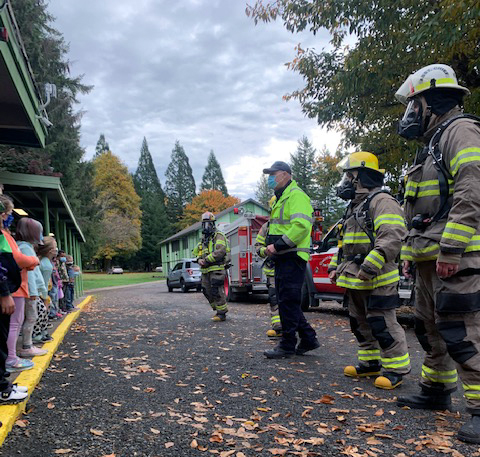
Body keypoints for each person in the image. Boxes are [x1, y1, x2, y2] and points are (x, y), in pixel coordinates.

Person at [394, 63, 480, 443]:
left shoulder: (461, 131)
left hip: (455, 255)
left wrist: (452, 247)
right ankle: (437, 391)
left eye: (414, 105)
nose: (410, 114)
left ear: (430, 100)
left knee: (463, 332)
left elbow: (471, 189)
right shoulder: (433, 143)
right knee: (430, 328)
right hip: (430, 256)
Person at [327, 152, 410, 389]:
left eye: (348, 177)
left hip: (377, 276)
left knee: (382, 323)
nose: (345, 183)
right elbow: (343, 244)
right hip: (355, 277)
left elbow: (392, 235)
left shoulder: (382, 201)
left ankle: (396, 369)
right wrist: (335, 267)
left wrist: (371, 265)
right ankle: (370, 364)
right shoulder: (354, 206)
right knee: (359, 322)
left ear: (361, 177)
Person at [262, 161, 319, 359]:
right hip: (283, 256)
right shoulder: (280, 198)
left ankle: (287, 345)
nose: (270, 178)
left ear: (286, 175)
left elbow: (301, 226)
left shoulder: (296, 196)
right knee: (288, 301)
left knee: (287, 301)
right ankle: (308, 338)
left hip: (292, 256)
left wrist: (277, 246)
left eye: (273, 174)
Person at [0, 195, 38, 372]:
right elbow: (16, 259)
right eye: (8, 213)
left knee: (14, 323)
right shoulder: (5, 236)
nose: (9, 217)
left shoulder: (7, 236)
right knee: (14, 324)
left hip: (14, 287)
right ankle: (11, 358)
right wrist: (33, 261)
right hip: (13, 288)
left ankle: (10, 357)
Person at [0, 200, 28, 403]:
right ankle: (2, 389)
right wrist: (4, 293)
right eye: (6, 213)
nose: (6, 217)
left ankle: (3, 383)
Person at [15, 218, 48, 358]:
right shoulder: (25, 248)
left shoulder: (24, 247)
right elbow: (30, 274)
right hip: (29, 291)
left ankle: (27, 344)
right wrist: (34, 291)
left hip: (29, 290)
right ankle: (27, 346)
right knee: (31, 317)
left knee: (27, 317)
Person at [193, 212, 230, 322]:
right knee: (206, 290)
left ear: (213, 224)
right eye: (204, 224)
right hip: (206, 270)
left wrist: (207, 260)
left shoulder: (219, 236)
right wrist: (199, 259)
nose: (206, 227)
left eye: (208, 224)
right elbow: (196, 252)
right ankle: (217, 308)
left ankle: (222, 313)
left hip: (217, 268)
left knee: (216, 290)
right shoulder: (204, 239)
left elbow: (220, 251)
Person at [255, 196, 282, 338]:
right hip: (272, 270)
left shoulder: (290, 225)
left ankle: (290, 327)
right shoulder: (266, 227)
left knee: (290, 299)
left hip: (289, 269)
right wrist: (265, 251)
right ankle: (278, 327)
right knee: (274, 298)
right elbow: (258, 246)